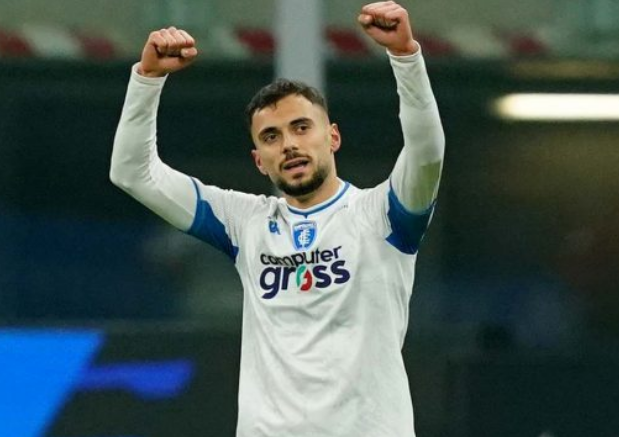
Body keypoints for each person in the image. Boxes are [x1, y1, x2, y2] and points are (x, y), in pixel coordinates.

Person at [110, 1, 444, 435]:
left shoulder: (383, 215)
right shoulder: (244, 223)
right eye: (271, 136)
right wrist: (147, 79)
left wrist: (405, 56)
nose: (288, 144)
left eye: (302, 127)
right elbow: (132, 172)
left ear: (333, 137)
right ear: (259, 160)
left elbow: (426, 152)